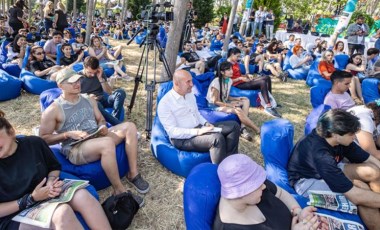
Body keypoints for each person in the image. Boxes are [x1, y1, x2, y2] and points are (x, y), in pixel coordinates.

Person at [39, 67, 150, 196]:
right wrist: (67, 134)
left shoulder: (88, 99)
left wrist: (102, 126)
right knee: (107, 143)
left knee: (130, 126)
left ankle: (133, 174)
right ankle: (119, 190)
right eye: (72, 82)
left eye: (78, 80)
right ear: (60, 85)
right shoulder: (53, 110)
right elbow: (43, 139)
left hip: (95, 135)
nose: (77, 84)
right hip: (76, 147)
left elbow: (101, 119)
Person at [0, 110, 112, 229]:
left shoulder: (34, 143)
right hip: (14, 213)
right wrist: (30, 199)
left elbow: (53, 167)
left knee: (83, 196)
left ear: (11, 132)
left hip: (45, 196)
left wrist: (51, 181)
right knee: (62, 213)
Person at [288, 109, 380, 229]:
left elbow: (368, 158)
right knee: (361, 189)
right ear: (336, 135)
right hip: (307, 181)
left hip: (330, 168)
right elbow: (355, 196)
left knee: (372, 171)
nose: (354, 137)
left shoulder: (339, 139)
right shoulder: (320, 154)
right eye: (351, 134)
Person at [214, 154, 328, 230]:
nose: (263, 186)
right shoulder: (230, 227)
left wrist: (298, 212)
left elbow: (281, 194)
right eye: (257, 185)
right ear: (241, 192)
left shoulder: (255, 190)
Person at [157, 69, 240, 164]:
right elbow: (173, 132)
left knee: (234, 126)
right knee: (216, 138)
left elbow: (197, 114)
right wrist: (198, 132)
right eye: (188, 82)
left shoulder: (189, 95)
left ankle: (231, 162)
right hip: (182, 139)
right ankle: (220, 171)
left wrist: (206, 123)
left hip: (199, 127)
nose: (192, 84)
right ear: (177, 83)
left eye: (191, 81)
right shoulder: (165, 103)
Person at [206, 61, 260, 141]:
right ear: (222, 72)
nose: (231, 71)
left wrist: (236, 99)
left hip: (224, 101)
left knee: (246, 100)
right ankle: (257, 129)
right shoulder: (216, 82)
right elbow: (215, 101)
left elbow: (226, 96)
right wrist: (230, 105)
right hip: (215, 106)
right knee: (237, 109)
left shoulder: (229, 80)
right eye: (228, 70)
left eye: (231, 69)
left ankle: (242, 127)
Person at [227, 47, 281, 118]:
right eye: (237, 56)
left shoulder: (235, 63)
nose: (238, 58)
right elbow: (227, 80)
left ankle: (271, 101)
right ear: (232, 54)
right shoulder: (227, 65)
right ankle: (268, 107)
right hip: (237, 84)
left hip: (242, 80)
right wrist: (240, 78)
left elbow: (238, 74)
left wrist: (247, 75)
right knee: (262, 82)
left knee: (266, 77)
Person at [80, 56, 126, 126]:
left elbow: (109, 92)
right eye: (89, 72)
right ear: (84, 66)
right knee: (97, 104)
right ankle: (118, 125)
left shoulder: (99, 73)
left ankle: (114, 121)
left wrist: (100, 79)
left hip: (103, 98)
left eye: (94, 72)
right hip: (92, 102)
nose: (92, 75)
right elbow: (75, 96)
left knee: (120, 92)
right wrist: (89, 97)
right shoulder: (78, 78)